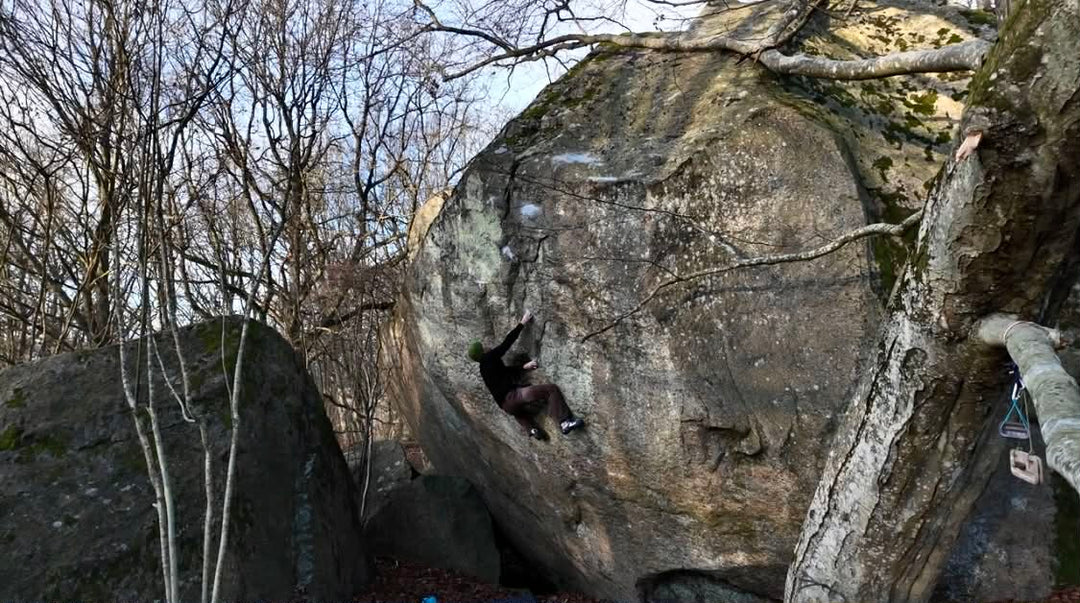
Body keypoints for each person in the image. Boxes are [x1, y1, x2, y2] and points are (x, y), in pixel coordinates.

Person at [468, 310, 585, 440]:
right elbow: (507, 343)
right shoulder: (489, 357)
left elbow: (505, 372)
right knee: (551, 390)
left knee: (519, 412)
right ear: (482, 352)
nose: (486, 346)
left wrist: (524, 367)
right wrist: (522, 323)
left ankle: (532, 429)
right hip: (514, 396)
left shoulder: (483, 369)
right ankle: (564, 422)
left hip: (506, 406)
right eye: (483, 347)